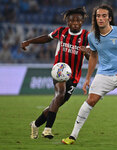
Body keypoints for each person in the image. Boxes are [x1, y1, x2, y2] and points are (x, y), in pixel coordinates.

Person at [61, 4, 117, 146]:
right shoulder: (92, 37)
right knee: (90, 101)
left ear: (109, 18)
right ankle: (72, 136)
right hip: (104, 74)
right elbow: (93, 57)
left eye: (104, 16)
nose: (101, 18)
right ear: (95, 18)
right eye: (98, 16)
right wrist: (87, 78)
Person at [21, 7, 90, 139]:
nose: (75, 22)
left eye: (78, 20)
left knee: (58, 101)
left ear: (82, 22)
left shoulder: (87, 36)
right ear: (67, 22)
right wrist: (29, 41)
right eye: (72, 20)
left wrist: (86, 53)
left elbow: (90, 55)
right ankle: (47, 129)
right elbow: (47, 38)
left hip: (74, 75)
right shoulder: (62, 31)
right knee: (60, 93)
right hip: (59, 70)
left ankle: (35, 124)